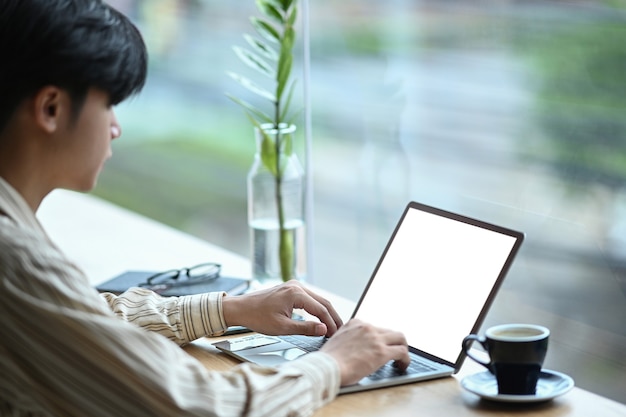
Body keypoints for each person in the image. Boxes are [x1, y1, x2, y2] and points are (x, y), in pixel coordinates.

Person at [0, 1, 410, 416]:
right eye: (109, 105)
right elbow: (200, 406)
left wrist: (229, 308)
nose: (115, 128)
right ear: (50, 108)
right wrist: (335, 363)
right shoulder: (15, 258)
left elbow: (84, 315)